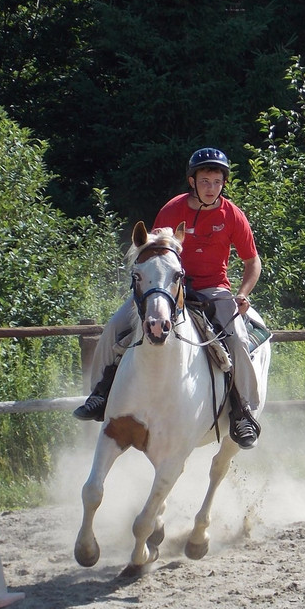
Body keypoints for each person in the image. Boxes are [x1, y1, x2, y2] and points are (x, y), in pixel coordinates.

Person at [73, 147, 263, 448]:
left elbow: (253, 262)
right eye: (205, 181)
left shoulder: (233, 216)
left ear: (223, 183)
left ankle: (242, 412)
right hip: (170, 289)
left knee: (238, 338)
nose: (211, 188)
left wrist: (242, 293)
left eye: (216, 181)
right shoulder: (172, 209)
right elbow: (156, 249)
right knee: (114, 326)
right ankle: (100, 394)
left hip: (215, 289)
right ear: (192, 181)